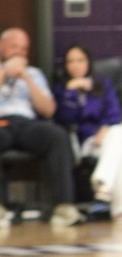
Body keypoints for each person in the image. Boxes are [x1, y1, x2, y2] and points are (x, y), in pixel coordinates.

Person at [0, 27, 83, 227]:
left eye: (24, 49)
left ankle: (63, 206)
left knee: (56, 135)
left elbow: (49, 110)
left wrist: (26, 79)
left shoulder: (34, 74)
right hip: (1, 123)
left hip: (27, 123)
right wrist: (5, 73)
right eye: (14, 47)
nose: (19, 52)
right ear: (2, 47)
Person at [53, 45, 122, 221]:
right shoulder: (61, 90)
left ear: (88, 62)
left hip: (115, 131)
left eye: (80, 60)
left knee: (117, 135)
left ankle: (102, 179)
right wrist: (71, 93)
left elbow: (115, 113)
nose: (76, 65)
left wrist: (105, 129)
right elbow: (63, 118)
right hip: (89, 142)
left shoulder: (102, 84)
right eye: (71, 61)